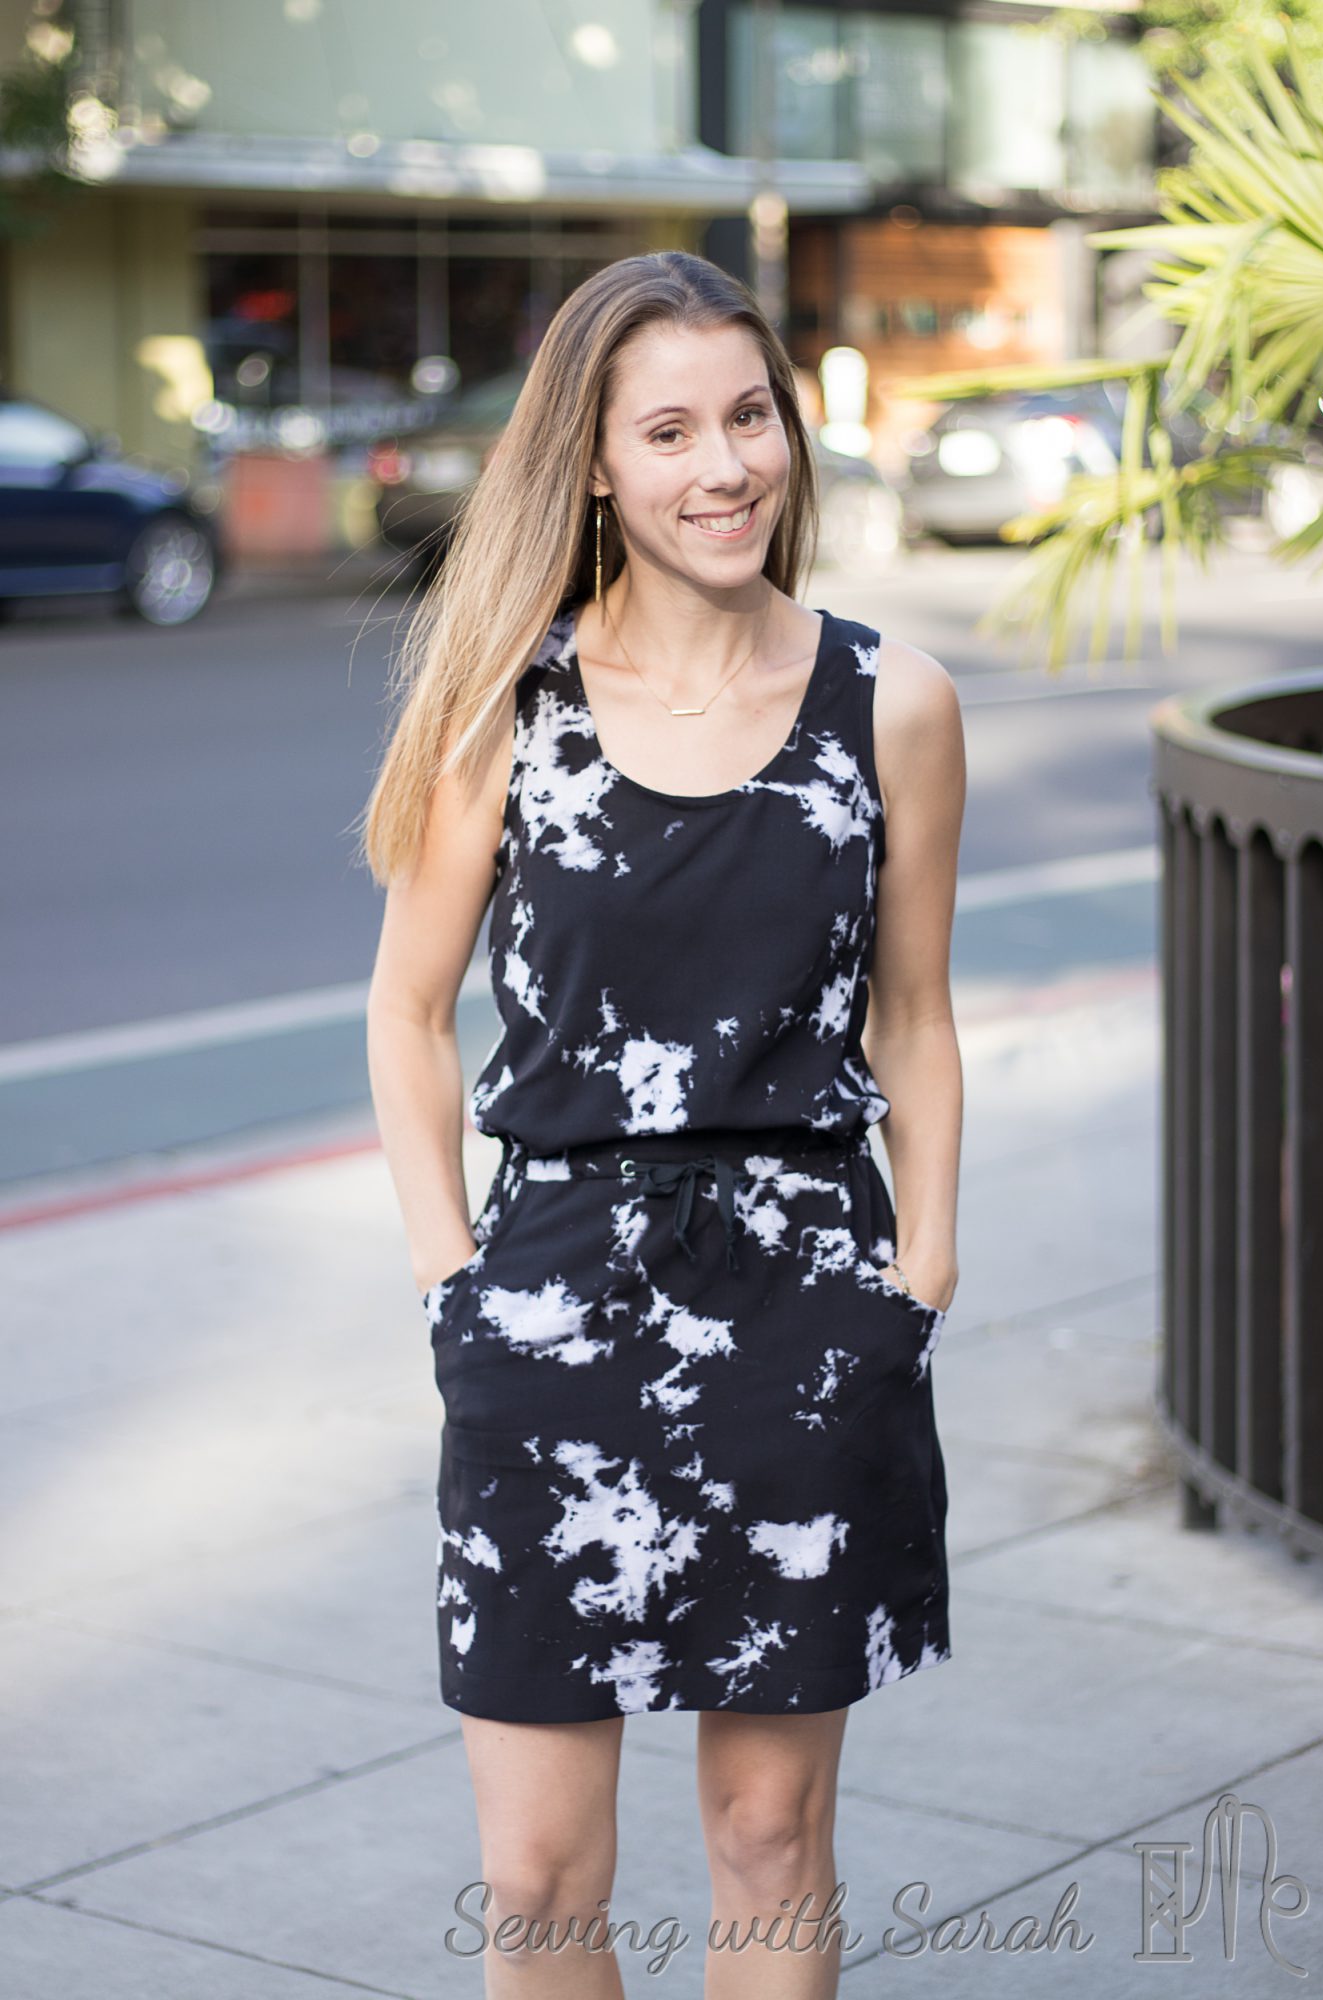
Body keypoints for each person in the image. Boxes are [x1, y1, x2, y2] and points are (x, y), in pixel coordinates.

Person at [359, 249, 965, 1997]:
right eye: (670, 431)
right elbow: (405, 1012)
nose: (725, 466)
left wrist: (919, 1273)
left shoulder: (891, 701)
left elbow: (912, 1017)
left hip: (806, 1315)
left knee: (769, 1838)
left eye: (749, 416)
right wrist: (453, 1284)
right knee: (537, 1872)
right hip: (548, 1310)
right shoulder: (504, 706)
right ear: (595, 466)